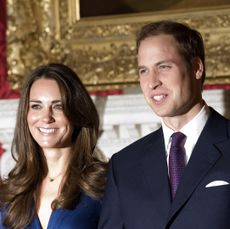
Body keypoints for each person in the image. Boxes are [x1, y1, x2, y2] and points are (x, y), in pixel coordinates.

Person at [98, 20, 230, 229]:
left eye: (164, 67)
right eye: (144, 71)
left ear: (196, 68)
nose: (152, 82)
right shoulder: (123, 166)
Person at [0, 63, 107, 229]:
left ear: (77, 112)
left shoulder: (104, 185)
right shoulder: (10, 192)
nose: (46, 117)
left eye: (58, 106)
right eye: (36, 106)